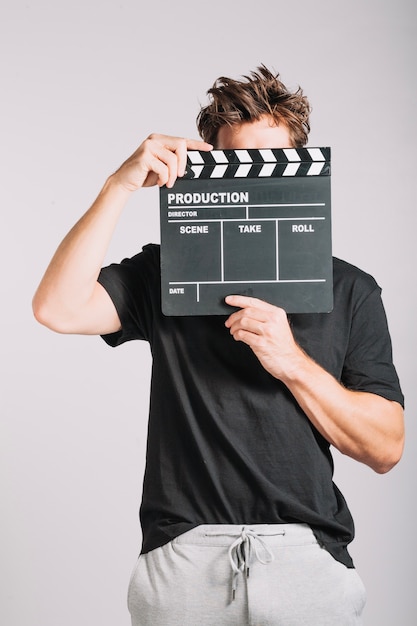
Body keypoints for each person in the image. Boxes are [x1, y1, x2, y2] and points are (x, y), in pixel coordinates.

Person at [32, 66, 405, 625]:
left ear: (301, 173)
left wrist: (292, 364)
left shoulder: (351, 289)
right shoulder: (164, 273)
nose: (254, 189)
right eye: (237, 168)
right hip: (183, 557)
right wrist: (120, 186)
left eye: (272, 167)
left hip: (307, 558)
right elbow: (56, 308)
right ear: (209, 171)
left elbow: (385, 448)